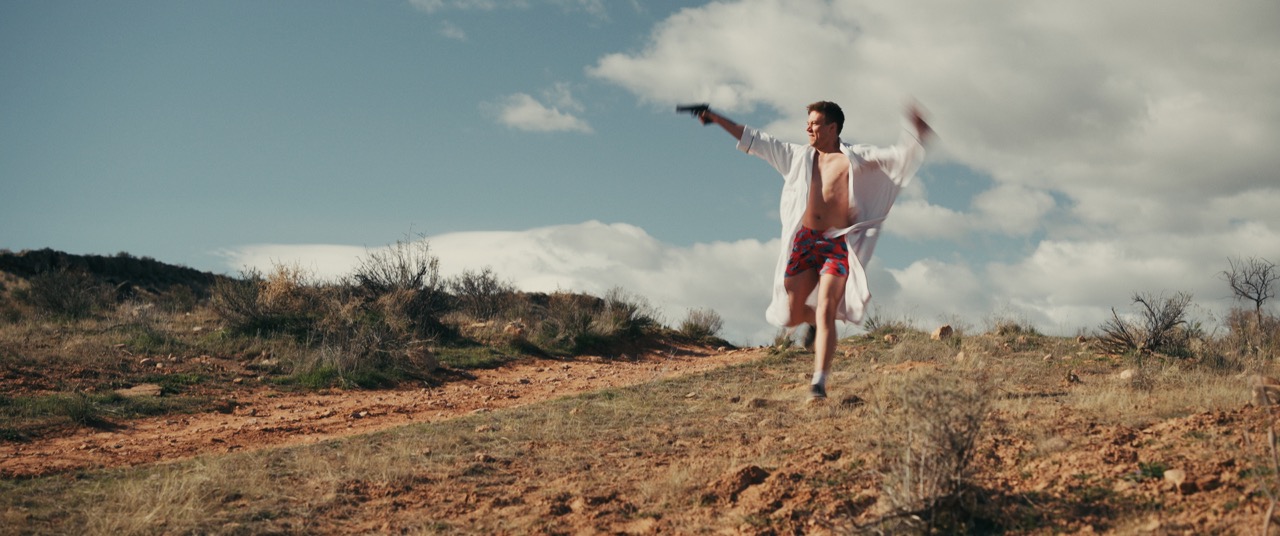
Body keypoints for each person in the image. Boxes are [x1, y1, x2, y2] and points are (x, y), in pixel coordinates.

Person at [691, 101, 931, 400]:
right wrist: (715, 117)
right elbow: (755, 139)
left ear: (832, 128)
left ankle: (819, 382)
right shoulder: (796, 156)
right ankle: (816, 324)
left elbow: (897, 158)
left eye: (814, 123)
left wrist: (916, 135)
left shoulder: (857, 158)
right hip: (804, 242)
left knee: (828, 308)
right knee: (791, 317)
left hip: (836, 245)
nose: (808, 128)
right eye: (808, 123)